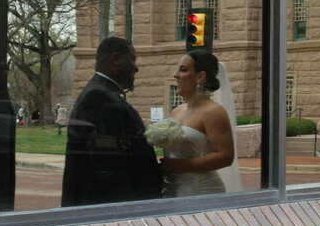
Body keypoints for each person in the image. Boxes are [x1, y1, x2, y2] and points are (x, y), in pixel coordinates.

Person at [61, 37, 162, 206]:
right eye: (132, 60)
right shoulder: (98, 96)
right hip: (111, 204)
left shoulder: (104, 92)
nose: (136, 68)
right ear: (116, 59)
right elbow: (109, 165)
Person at [161, 49, 235, 196]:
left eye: (183, 70)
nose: (176, 75)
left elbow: (225, 157)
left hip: (202, 190)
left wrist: (181, 166)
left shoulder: (213, 112)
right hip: (173, 187)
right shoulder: (177, 111)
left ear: (200, 77)